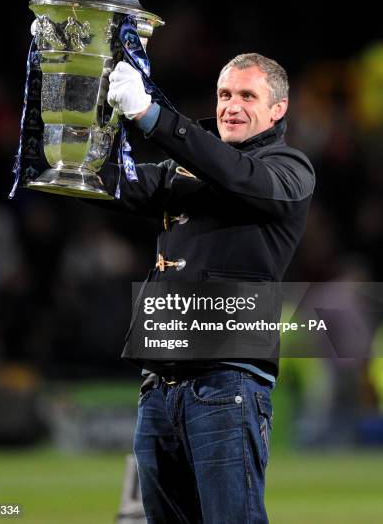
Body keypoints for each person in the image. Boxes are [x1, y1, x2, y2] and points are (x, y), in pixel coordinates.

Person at [96, 53, 315, 523]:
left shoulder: (289, 169)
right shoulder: (184, 172)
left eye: (246, 96)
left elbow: (237, 175)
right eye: (223, 95)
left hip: (228, 384)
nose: (230, 106)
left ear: (278, 109)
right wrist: (70, 97)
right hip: (158, 389)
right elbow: (100, 180)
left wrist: (152, 116)